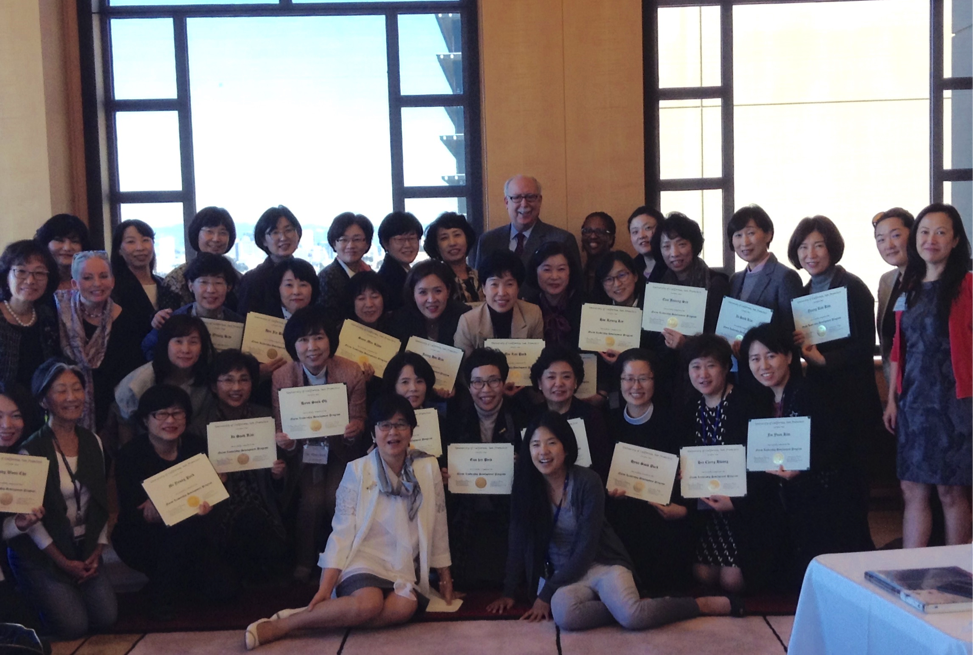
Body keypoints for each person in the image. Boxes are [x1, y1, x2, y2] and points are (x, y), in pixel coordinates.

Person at [486, 411, 737, 629]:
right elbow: (517, 539)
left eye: (552, 442)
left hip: (601, 565)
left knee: (633, 618)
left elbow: (586, 549)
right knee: (564, 615)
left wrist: (547, 593)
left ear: (566, 447)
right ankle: (623, 605)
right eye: (535, 444)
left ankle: (697, 605)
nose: (543, 451)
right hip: (564, 575)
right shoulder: (525, 486)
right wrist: (508, 592)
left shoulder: (587, 481)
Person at [244, 394, 453, 650]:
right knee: (369, 604)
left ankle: (321, 616)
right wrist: (325, 586)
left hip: (402, 562)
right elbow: (341, 532)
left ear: (412, 430)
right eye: (384, 425)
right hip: (363, 555)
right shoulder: (357, 470)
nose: (393, 432)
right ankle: (284, 625)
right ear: (374, 434)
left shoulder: (428, 466)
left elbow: (438, 520)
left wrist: (444, 576)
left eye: (400, 424)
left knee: (403, 608)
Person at [742, 324, 869, 586]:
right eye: (755, 359)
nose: (763, 365)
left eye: (771, 356)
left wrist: (804, 467)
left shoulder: (811, 391)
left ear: (788, 357)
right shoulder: (761, 402)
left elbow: (839, 442)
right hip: (791, 497)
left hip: (826, 497)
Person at [5, 359, 117, 639]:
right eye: (61, 390)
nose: (71, 397)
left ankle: (71, 588)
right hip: (43, 553)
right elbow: (31, 522)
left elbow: (100, 504)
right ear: (44, 400)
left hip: (84, 546)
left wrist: (97, 551)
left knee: (106, 618)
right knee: (73, 627)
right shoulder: (29, 450)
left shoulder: (94, 441)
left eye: (77, 388)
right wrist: (63, 562)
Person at [787, 215, 880, 551]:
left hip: (852, 400)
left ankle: (859, 552)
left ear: (832, 248)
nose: (810, 253)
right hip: (820, 398)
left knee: (853, 483)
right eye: (803, 247)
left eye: (818, 245)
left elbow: (864, 344)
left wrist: (824, 361)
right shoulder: (803, 291)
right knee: (825, 482)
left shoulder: (853, 286)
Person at [884, 203, 973, 548]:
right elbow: (897, 349)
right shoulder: (908, 286)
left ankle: (958, 578)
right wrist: (892, 399)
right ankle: (909, 573)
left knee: (951, 491)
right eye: (924, 231)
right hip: (913, 403)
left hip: (956, 403)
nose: (930, 239)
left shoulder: (967, 286)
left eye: (940, 232)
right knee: (911, 489)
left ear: (954, 241)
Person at [112, 384, 238, 620]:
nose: (170, 420)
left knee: (224, 590)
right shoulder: (130, 455)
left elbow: (214, 500)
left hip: (192, 532)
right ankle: (164, 592)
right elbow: (131, 511)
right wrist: (149, 513)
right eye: (161, 414)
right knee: (176, 534)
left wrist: (210, 499)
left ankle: (172, 582)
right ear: (145, 420)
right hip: (144, 536)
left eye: (177, 413)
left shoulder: (196, 447)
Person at [676, 335, 785, 593]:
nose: (703, 374)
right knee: (701, 574)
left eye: (711, 365)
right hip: (705, 510)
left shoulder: (748, 405)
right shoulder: (690, 408)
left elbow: (764, 468)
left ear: (726, 367)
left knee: (732, 581)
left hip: (745, 508)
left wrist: (736, 502)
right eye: (695, 366)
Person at [271, 306, 366, 582]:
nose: (312, 347)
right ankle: (304, 560)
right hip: (304, 451)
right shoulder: (282, 377)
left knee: (335, 497)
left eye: (319, 338)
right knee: (311, 501)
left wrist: (354, 429)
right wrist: (286, 443)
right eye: (303, 340)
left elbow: (360, 418)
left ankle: (346, 561)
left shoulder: (350, 371)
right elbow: (281, 427)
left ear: (330, 341)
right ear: (293, 345)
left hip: (340, 450)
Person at [190, 350, 290, 584]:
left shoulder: (266, 418)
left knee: (277, 569)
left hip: (262, 502)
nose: (236, 387)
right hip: (221, 508)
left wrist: (278, 475)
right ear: (214, 387)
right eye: (228, 380)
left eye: (244, 379)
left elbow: (279, 482)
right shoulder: (199, 427)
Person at [604, 348, 693, 592]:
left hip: (664, 518)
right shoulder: (606, 423)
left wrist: (682, 510)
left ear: (655, 381)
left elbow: (687, 479)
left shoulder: (674, 423)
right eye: (629, 379)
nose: (636, 386)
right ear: (619, 381)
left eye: (644, 378)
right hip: (621, 517)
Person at [444, 348, 527, 588]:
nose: (486, 390)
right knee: (469, 581)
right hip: (466, 508)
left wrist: (522, 464)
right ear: (468, 386)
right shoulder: (455, 418)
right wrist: (445, 474)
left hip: (507, 508)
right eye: (478, 383)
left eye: (493, 381)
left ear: (504, 383)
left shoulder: (521, 417)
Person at [56, 251, 144, 433]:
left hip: (114, 415)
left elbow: (130, 376)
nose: (97, 283)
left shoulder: (129, 321)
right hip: (63, 408)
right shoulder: (58, 315)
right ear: (74, 284)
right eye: (87, 278)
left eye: (104, 276)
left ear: (112, 280)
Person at [528, 345, 612, 481]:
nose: (559, 383)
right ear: (539, 383)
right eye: (551, 377)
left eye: (566, 377)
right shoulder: (530, 417)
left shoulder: (592, 416)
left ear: (575, 382)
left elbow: (602, 464)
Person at [469, 175, 581, 276]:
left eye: (530, 197)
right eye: (517, 197)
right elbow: (481, 284)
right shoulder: (488, 241)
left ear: (539, 200)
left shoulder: (562, 240)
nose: (524, 204)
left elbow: (575, 286)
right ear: (506, 202)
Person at [115, 314, 215, 427]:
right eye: (178, 341)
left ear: (202, 348)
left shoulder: (207, 378)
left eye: (193, 342)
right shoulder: (140, 381)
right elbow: (124, 421)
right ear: (165, 344)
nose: (186, 349)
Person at [142, 252, 244, 360]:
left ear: (228, 287)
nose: (211, 290)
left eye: (218, 283)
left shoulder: (239, 324)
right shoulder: (173, 320)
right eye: (203, 282)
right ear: (190, 285)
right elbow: (148, 347)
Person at [0, 385, 44, 629]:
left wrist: (20, 523)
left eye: (16, 415)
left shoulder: (18, 461)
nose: (7, 424)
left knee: (29, 639)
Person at [726, 205, 802, 346]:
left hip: (774, 365)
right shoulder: (735, 280)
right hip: (741, 365)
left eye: (751, 233)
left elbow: (791, 333)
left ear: (768, 234)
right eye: (738, 235)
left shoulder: (786, 277)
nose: (745, 242)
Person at [655, 212, 730, 349]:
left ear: (694, 246)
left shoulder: (716, 284)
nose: (674, 253)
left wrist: (686, 345)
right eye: (666, 246)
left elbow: (719, 340)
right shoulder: (658, 286)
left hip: (704, 364)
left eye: (682, 244)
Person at [453, 250, 544, 356]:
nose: (502, 293)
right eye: (494, 284)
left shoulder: (533, 314)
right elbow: (464, 368)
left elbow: (538, 360)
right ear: (483, 288)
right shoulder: (468, 322)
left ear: (518, 287)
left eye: (509, 284)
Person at [0, 241, 61, 397]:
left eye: (39, 273)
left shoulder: (47, 315)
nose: (30, 280)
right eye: (21, 271)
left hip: (40, 409)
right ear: (6, 275)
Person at [110, 219, 181, 343]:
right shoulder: (113, 288)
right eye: (131, 242)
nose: (140, 247)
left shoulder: (166, 285)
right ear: (119, 250)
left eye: (145, 240)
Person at [160, 206, 239, 308]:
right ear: (196, 234)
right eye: (209, 231)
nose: (216, 239)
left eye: (222, 233)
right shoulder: (176, 279)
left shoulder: (237, 279)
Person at [390, 260, 471, 352]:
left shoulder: (464, 317)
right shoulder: (399, 321)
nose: (431, 299)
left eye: (438, 291)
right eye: (423, 292)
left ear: (448, 291)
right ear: (413, 294)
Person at [873, 207, 915, 382]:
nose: (888, 245)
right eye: (880, 239)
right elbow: (887, 340)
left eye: (896, 235)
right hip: (895, 383)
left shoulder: (932, 279)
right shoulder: (886, 282)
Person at [237, 206, 301, 317]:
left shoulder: (306, 272)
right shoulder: (252, 280)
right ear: (263, 240)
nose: (283, 237)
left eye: (289, 230)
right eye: (275, 232)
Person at [525, 241, 585, 349]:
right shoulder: (527, 307)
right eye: (547, 269)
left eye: (561, 269)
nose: (554, 276)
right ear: (535, 271)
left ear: (570, 271)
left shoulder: (585, 305)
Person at [318, 212, 373, 317]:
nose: (351, 245)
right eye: (344, 240)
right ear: (334, 244)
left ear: (367, 244)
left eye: (357, 239)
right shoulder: (326, 278)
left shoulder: (369, 275)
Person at [423, 211, 483, 303]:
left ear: (467, 239)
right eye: (444, 238)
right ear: (436, 246)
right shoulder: (434, 280)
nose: (452, 243)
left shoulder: (481, 277)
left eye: (457, 235)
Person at [376, 211, 423, 313]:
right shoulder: (385, 280)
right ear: (385, 243)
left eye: (412, 238)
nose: (407, 245)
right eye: (399, 240)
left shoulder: (409, 273)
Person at [34, 214, 91, 293]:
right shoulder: (35, 281)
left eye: (75, 241)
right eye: (59, 240)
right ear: (45, 243)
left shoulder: (91, 282)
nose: (67, 248)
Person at [343, 271, 392, 335]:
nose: (369, 304)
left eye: (375, 297)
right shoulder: (340, 333)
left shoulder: (398, 329)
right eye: (361, 298)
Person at [627, 207, 667, 283]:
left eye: (648, 228)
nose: (641, 236)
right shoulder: (630, 269)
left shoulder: (674, 266)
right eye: (635, 232)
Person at [580, 212, 616, 296]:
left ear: (610, 238)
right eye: (587, 231)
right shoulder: (578, 275)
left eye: (600, 231)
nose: (593, 236)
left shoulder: (618, 275)